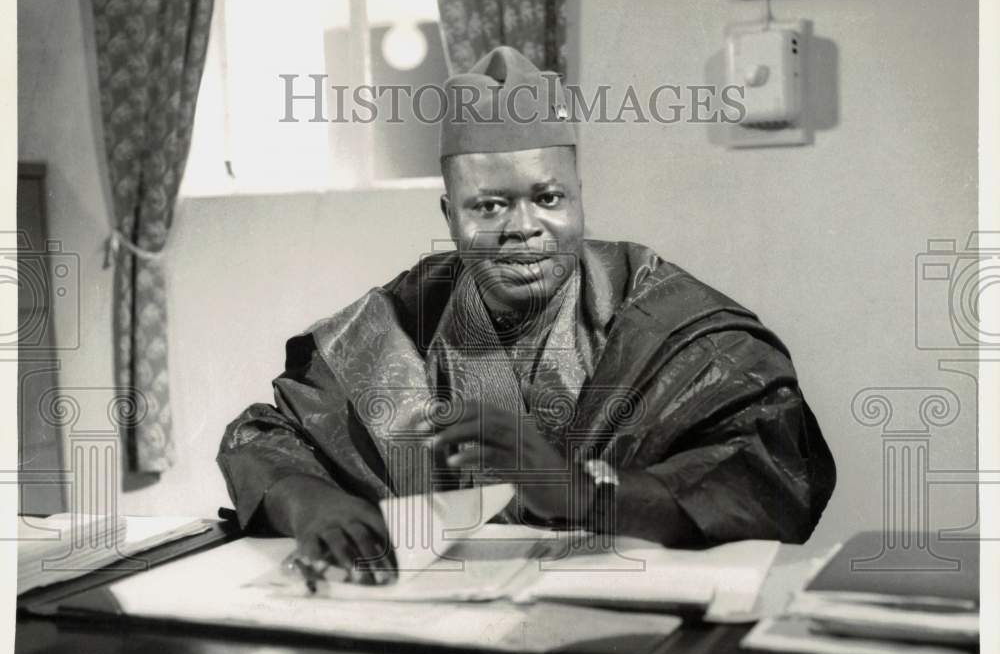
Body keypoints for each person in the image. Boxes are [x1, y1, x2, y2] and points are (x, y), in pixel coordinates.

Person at [217, 46, 836, 585]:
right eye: (488, 206)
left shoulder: (666, 316)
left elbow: (765, 463)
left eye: (548, 198)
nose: (522, 229)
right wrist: (308, 503)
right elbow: (270, 437)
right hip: (436, 634)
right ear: (449, 217)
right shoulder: (404, 314)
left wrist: (577, 489)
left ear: (578, 196)